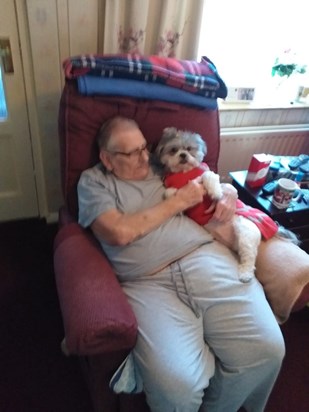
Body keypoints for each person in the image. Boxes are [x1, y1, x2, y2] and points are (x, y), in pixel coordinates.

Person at [77, 116, 285, 412]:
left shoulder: (161, 165)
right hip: (147, 282)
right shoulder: (93, 182)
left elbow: (209, 178)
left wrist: (228, 192)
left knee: (268, 350)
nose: (144, 158)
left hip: (205, 256)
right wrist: (177, 202)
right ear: (106, 159)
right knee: (177, 388)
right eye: (131, 153)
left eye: (144, 148)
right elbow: (118, 231)